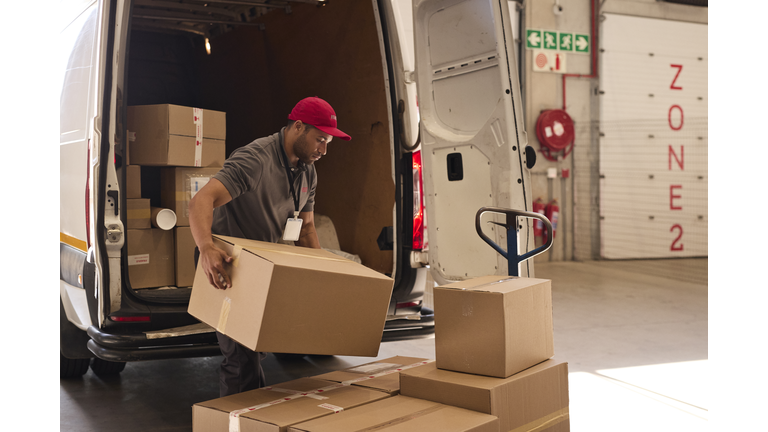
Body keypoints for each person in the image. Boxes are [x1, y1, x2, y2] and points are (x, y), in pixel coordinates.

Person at [188, 96, 351, 397]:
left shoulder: (307, 170)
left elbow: (307, 228)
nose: (324, 150)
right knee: (241, 359)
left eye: (328, 143)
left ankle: (250, 419)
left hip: (261, 266)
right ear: (298, 127)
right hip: (226, 263)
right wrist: (206, 248)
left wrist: (323, 273)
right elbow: (201, 200)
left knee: (255, 348)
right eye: (320, 140)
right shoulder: (256, 159)